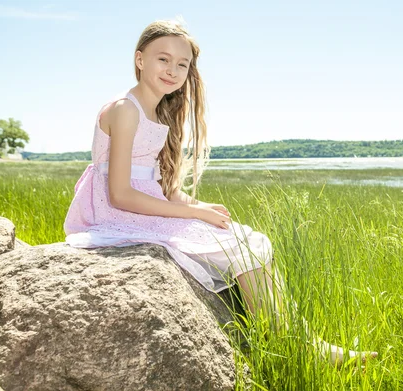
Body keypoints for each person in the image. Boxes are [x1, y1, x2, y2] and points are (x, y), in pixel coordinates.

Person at [63, 19, 376, 368]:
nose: (173, 70)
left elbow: (158, 186)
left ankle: (300, 341)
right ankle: (305, 350)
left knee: (249, 240)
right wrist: (195, 214)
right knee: (242, 249)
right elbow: (121, 193)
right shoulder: (125, 109)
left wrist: (197, 204)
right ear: (139, 59)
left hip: (143, 206)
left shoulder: (156, 112)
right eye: (162, 59)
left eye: (182, 64)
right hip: (116, 214)